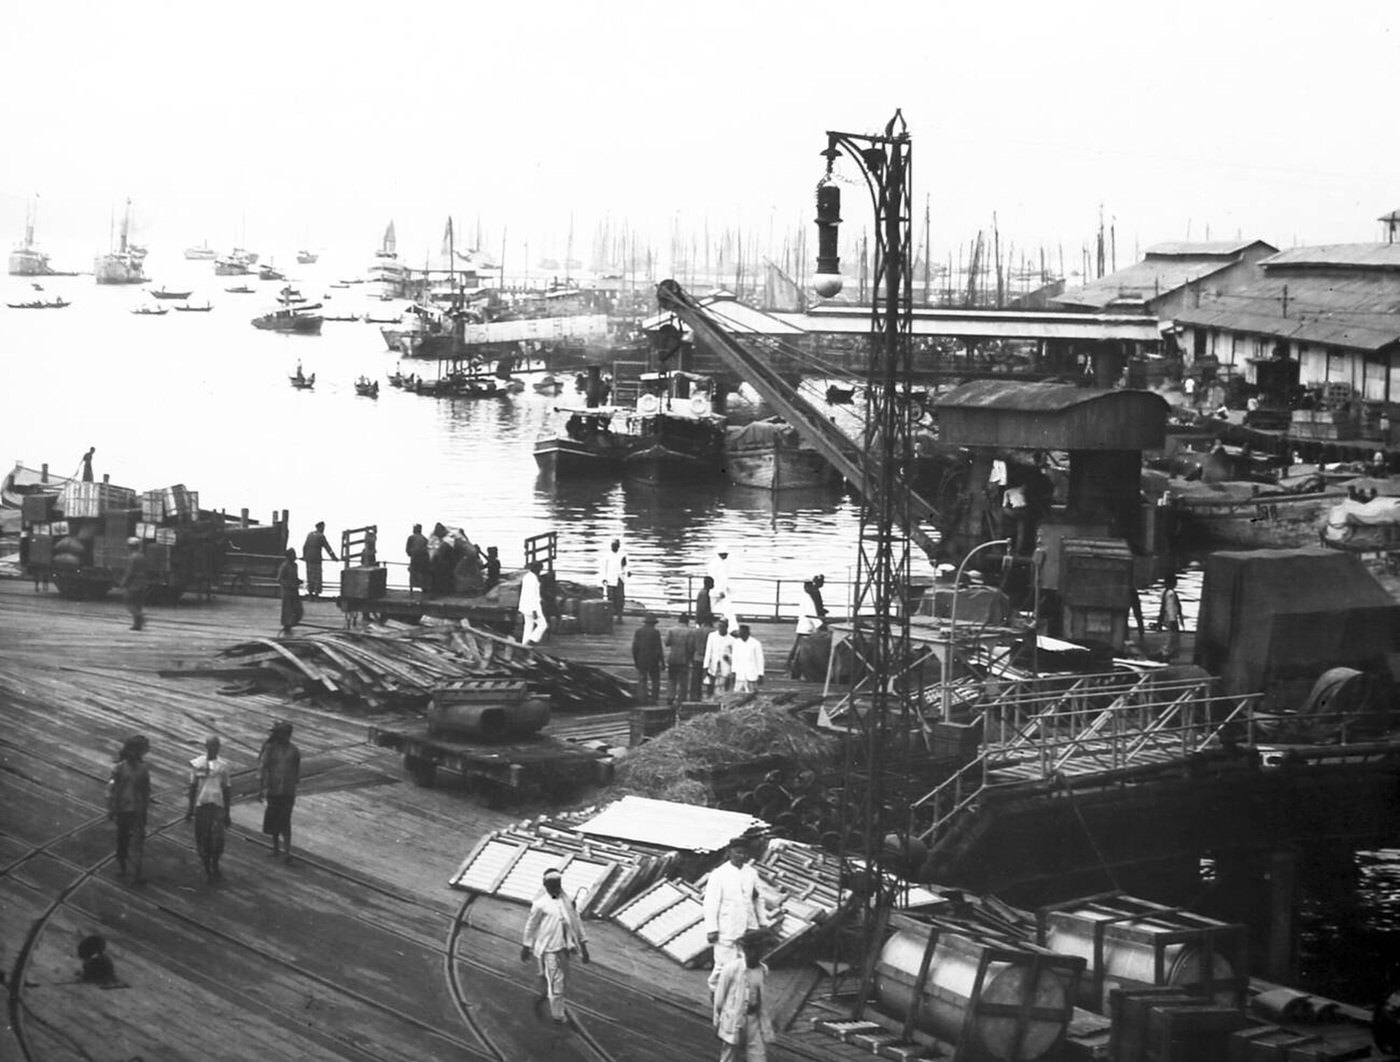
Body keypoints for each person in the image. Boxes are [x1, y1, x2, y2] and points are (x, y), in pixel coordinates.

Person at [520, 867, 590, 1025]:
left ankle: (549, 989)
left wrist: (584, 948)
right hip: (549, 949)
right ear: (545, 885)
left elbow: (576, 923)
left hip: (565, 949)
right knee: (557, 983)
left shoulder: (567, 902)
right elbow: (531, 925)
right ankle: (558, 1016)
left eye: (557, 883)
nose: (555, 887)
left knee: (563, 982)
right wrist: (526, 946)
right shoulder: (540, 904)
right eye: (551, 884)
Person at [703, 840, 769, 992]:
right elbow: (711, 903)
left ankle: (741, 996)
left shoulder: (751, 873)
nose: (741, 856)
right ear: (730, 852)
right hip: (727, 925)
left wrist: (763, 921)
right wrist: (712, 928)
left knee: (745, 963)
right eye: (738, 852)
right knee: (724, 965)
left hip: (749, 925)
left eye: (744, 853)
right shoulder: (719, 874)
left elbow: (758, 899)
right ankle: (717, 993)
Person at [712, 930, 776, 1062]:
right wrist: (718, 1020)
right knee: (729, 1053)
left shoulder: (762, 970)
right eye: (754, 951)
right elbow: (719, 998)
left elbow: (761, 997)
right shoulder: (731, 969)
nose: (756, 955)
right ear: (746, 950)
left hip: (753, 1019)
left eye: (761, 952)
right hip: (734, 1018)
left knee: (758, 1055)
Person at [186, 736, 232, 883]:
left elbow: (227, 789)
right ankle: (208, 869)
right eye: (211, 746)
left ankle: (215, 865)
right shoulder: (198, 763)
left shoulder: (223, 766)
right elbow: (192, 786)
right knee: (203, 839)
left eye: (216, 746)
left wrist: (227, 812)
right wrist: (189, 809)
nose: (213, 749)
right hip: (202, 806)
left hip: (217, 806)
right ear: (206, 747)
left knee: (217, 840)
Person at [108, 735, 152, 884]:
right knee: (123, 841)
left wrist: (144, 809)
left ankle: (134, 873)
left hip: (135, 810)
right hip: (124, 809)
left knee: (135, 843)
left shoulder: (142, 769)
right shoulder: (120, 768)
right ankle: (124, 869)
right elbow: (112, 789)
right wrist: (112, 807)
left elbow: (146, 791)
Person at [258, 721, 301, 863]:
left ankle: (286, 852)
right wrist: (261, 788)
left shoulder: (294, 751)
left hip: (287, 791)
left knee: (285, 821)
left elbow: (296, 772)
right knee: (274, 820)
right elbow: (263, 768)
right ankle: (276, 848)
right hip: (274, 790)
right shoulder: (271, 749)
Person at [787, 577, 828, 678]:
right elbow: (811, 612)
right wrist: (819, 624)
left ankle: (792, 665)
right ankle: (793, 667)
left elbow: (816, 608)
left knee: (798, 646)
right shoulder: (810, 597)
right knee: (801, 648)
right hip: (807, 625)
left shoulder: (808, 596)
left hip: (805, 624)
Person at [631, 614, 663, 705]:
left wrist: (635, 660)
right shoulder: (656, 632)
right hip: (654, 660)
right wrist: (662, 661)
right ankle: (654, 699)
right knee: (655, 680)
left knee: (642, 680)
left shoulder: (638, 632)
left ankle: (642, 699)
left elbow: (634, 647)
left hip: (641, 659)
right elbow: (659, 648)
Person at [120, 536, 150, 631]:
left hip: (134, 584)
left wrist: (124, 582)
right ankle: (137, 625)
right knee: (138, 604)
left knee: (129, 603)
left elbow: (130, 572)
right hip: (142, 583)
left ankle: (140, 618)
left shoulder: (132, 557)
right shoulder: (142, 556)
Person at [302, 521, 338, 598]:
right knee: (317, 577)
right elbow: (328, 548)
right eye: (323, 527)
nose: (323, 529)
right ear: (320, 527)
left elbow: (304, 547)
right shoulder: (321, 536)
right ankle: (316, 594)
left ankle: (311, 593)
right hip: (316, 560)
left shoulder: (310, 535)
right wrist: (334, 557)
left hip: (308, 559)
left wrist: (304, 556)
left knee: (310, 576)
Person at [665, 613, 694, 706]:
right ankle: (681, 700)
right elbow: (690, 647)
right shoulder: (690, 632)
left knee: (671, 679)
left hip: (672, 658)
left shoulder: (671, 630)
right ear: (687, 622)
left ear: (679, 621)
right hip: (684, 659)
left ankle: (670, 697)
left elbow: (667, 643)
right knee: (683, 681)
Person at [704, 618, 734, 698]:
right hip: (713, 665)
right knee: (711, 685)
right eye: (719, 626)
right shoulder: (712, 636)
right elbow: (708, 651)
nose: (721, 629)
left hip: (725, 666)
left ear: (727, 627)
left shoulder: (732, 639)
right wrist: (706, 666)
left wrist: (729, 658)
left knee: (724, 686)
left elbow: (734, 655)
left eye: (723, 627)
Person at [519, 561, 548, 645]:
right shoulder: (532, 579)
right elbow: (531, 595)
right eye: (539, 569)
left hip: (525, 606)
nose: (540, 571)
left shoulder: (527, 577)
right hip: (532, 607)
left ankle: (524, 644)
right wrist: (534, 610)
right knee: (543, 625)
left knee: (528, 626)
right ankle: (531, 641)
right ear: (535, 568)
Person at [730, 625, 765, 695]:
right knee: (737, 695)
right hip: (739, 675)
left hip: (752, 675)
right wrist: (733, 672)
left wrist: (760, 674)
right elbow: (734, 658)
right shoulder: (736, 643)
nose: (740, 634)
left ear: (747, 633)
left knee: (752, 695)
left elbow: (760, 660)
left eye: (742, 632)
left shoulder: (756, 643)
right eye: (740, 632)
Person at [600, 538, 628, 622]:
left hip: (619, 578)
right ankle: (610, 617)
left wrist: (627, 572)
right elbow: (603, 567)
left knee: (620, 599)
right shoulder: (607, 556)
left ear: (618, 546)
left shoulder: (622, 555)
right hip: (610, 579)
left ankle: (619, 617)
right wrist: (603, 578)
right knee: (610, 599)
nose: (614, 547)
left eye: (616, 545)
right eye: (613, 545)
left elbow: (625, 566)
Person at [276, 549, 302, 637]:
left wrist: (298, 581)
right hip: (287, 591)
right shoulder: (284, 566)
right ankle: (287, 625)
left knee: (298, 609)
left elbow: (295, 577)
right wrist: (288, 585)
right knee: (287, 609)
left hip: (294, 590)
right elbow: (279, 579)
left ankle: (292, 622)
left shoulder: (295, 565)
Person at [1157, 574, 1183, 662]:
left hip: (1166, 616)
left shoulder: (1164, 592)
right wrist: (1173, 620)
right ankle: (1166, 653)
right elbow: (1170, 607)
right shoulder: (1171, 593)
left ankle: (1166, 652)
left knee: (1170, 635)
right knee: (1172, 636)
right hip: (1170, 617)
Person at [708, 548, 737, 626]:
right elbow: (715, 578)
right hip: (717, 591)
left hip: (719, 591)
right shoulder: (717, 564)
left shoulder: (718, 563)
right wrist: (720, 590)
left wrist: (726, 588)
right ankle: (732, 626)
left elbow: (722, 579)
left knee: (727, 608)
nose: (727, 556)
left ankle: (732, 626)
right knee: (711, 608)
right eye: (726, 554)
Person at [689, 615, 713, 701]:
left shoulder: (696, 631)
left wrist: (690, 657)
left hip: (697, 657)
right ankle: (710, 697)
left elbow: (691, 645)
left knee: (696, 680)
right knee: (710, 680)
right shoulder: (713, 632)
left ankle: (694, 697)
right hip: (710, 659)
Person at [405, 523, 430, 592]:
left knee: (413, 572)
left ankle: (411, 589)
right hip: (424, 558)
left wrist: (411, 554)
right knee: (422, 574)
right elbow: (427, 549)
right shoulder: (424, 538)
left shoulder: (411, 537)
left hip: (415, 557)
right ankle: (424, 588)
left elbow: (407, 549)